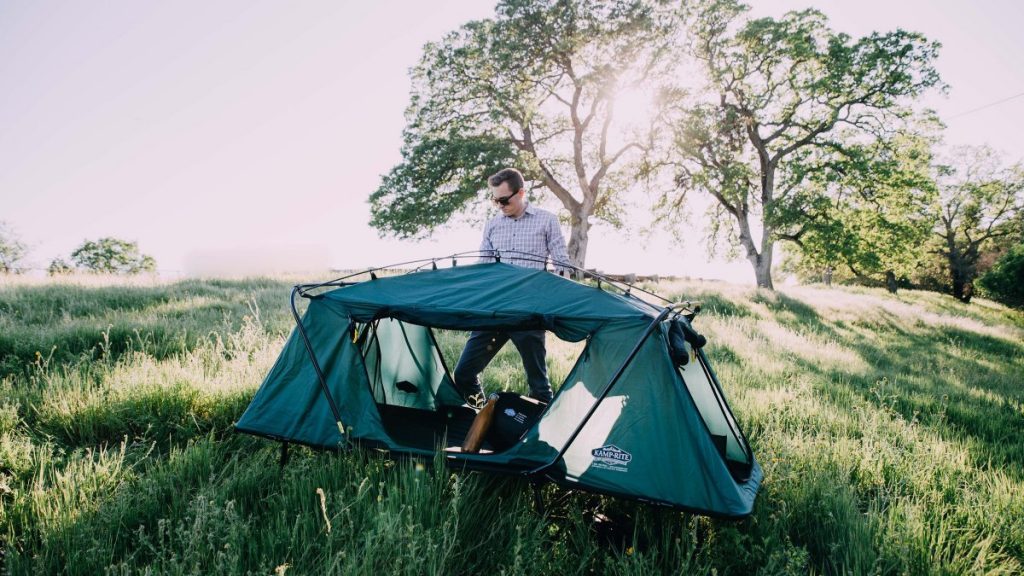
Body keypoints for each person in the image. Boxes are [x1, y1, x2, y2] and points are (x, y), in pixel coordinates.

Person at [453, 167, 571, 407]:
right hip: (494, 311)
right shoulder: (492, 225)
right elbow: (483, 268)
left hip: (528, 312)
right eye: (495, 200)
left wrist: (558, 304)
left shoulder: (547, 220)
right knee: (463, 374)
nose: (500, 205)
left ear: (521, 193)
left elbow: (562, 265)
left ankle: (537, 428)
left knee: (539, 386)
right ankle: (482, 416)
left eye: (504, 200)